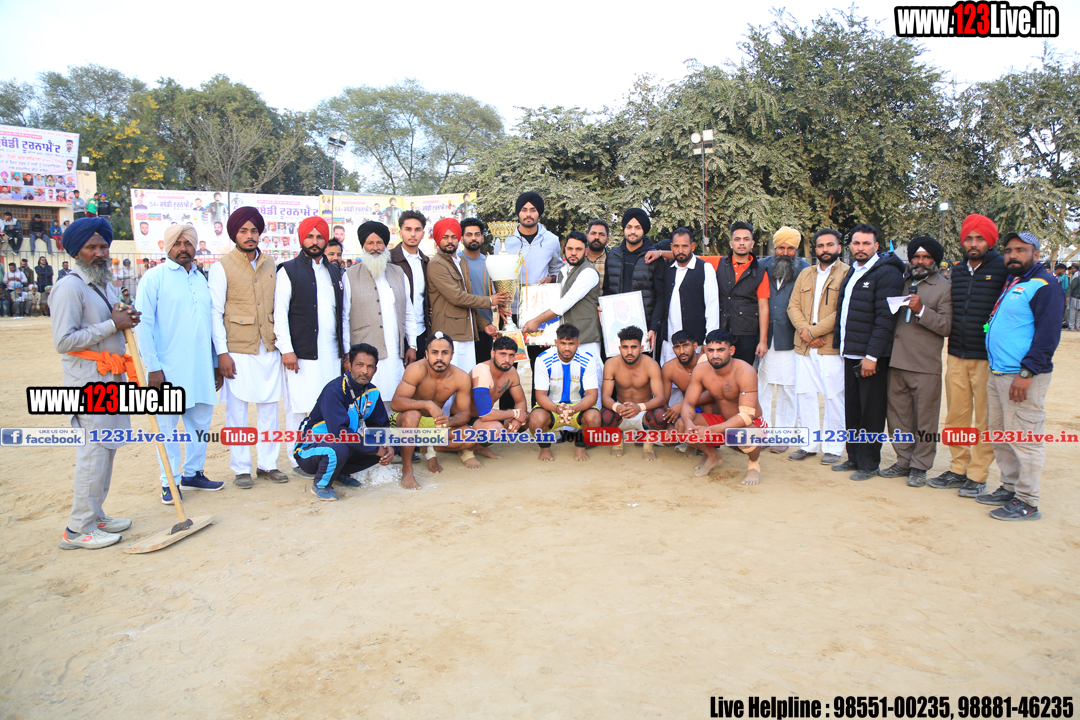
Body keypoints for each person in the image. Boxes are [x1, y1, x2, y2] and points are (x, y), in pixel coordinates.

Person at [50, 217, 141, 549]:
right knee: (93, 453)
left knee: (106, 450)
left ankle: (95, 515)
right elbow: (63, 342)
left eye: (103, 246)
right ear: (77, 252)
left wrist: (125, 318)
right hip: (88, 383)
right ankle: (78, 529)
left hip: (112, 378)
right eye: (92, 247)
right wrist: (111, 325)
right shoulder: (69, 287)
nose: (100, 253)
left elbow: (113, 321)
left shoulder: (104, 283)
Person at [135, 224, 225, 503]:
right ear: (168, 246)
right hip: (166, 369)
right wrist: (152, 367)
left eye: (188, 243)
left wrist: (214, 363)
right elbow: (142, 325)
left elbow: (210, 324)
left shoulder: (201, 279)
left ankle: (193, 473)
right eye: (177, 243)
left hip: (200, 367)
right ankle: (169, 482)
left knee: (200, 423)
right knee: (167, 429)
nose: (183, 248)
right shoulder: (154, 278)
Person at [977, 232, 1064, 521]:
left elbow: (1048, 335)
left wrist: (1027, 372)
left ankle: (1027, 501)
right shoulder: (1015, 281)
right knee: (1000, 434)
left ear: (1036, 254)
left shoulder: (1045, 285)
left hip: (1022, 377)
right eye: (1009, 250)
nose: (1013, 255)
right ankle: (1009, 487)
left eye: (1021, 250)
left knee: (1025, 439)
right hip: (998, 373)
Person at [928, 214, 1008, 497]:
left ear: (990, 241)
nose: (973, 244)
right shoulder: (959, 270)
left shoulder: (1002, 268)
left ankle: (977, 475)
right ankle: (958, 469)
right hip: (956, 353)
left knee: (985, 419)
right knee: (956, 417)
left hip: (987, 357)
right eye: (969, 238)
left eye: (979, 238)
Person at [209, 207, 288, 489]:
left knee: (269, 410)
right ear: (234, 234)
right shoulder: (221, 267)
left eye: (254, 230)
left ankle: (268, 465)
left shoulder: (270, 264)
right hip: (237, 350)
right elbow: (215, 312)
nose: (249, 236)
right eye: (243, 231)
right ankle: (241, 468)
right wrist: (222, 353)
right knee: (237, 412)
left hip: (268, 347)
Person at [830, 224, 905, 480]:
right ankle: (854, 457)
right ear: (850, 245)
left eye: (866, 243)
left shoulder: (887, 273)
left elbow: (885, 318)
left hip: (870, 357)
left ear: (876, 246)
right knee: (853, 408)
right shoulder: (854, 270)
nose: (860, 248)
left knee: (871, 411)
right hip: (850, 352)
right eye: (856, 243)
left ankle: (869, 463)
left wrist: (871, 356)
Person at [275, 216, 347, 478]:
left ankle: (323, 455)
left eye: (319, 237)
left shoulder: (335, 272)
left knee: (328, 407)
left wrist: (345, 351)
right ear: (301, 239)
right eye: (310, 237)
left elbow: (343, 314)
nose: (314, 242)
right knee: (298, 407)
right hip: (302, 353)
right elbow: (280, 313)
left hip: (331, 353)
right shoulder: (288, 271)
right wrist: (287, 349)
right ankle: (297, 460)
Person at [881, 237, 953, 487]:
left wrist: (922, 310)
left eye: (926, 257)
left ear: (935, 260)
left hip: (925, 365)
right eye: (916, 257)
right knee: (898, 417)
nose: (920, 261)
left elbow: (946, 326)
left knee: (925, 419)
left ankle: (920, 466)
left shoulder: (944, 287)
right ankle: (903, 460)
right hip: (896, 361)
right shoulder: (902, 283)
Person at [294, 343, 395, 501]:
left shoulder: (372, 392)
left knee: (389, 443)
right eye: (359, 365)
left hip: (344, 442)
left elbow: (381, 426)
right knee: (339, 446)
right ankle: (321, 485)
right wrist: (375, 449)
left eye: (370, 367)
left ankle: (339, 472)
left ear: (375, 370)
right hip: (310, 449)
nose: (365, 371)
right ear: (349, 365)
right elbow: (339, 433)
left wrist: (387, 446)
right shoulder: (334, 390)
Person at [390, 333, 488, 489]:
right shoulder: (416, 369)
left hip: (435, 424)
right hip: (407, 421)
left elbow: (464, 413)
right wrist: (427, 404)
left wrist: (448, 421)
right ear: (427, 354)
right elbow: (395, 403)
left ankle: (429, 448)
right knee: (413, 414)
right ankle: (407, 470)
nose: (439, 357)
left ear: (452, 355)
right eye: (434, 352)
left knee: (470, 437)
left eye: (445, 353)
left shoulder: (461, 377)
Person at [787, 229, 850, 463]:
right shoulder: (806, 273)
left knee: (834, 397)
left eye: (830, 245)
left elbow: (843, 310)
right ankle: (808, 445)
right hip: (804, 347)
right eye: (821, 245)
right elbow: (793, 306)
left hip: (830, 346)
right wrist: (806, 333)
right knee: (805, 395)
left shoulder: (847, 273)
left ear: (839, 248)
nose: (825, 249)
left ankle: (833, 448)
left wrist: (813, 332)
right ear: (815, 249)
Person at [676, 329, 767, 484]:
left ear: (731, 350)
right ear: (705, 350)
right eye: (711, 350)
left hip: (750, 423)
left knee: (746, 435)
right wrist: (690, 423)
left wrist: (711, 430)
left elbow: (747, 416)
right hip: (722, 420)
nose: (715, 355)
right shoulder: (701, 370)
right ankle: (713, 456)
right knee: (682, 425)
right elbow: (689, 403)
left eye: (720, 350)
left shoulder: (745, 371)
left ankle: (754, 464)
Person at [344, 221, 417, 415]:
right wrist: (346, 353)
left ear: (386, 245)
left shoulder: (398, 273)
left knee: (394, 397)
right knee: (366, 401)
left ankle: (392, 434)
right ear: (363, 245)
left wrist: (412, 345)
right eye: (370, 243)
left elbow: (409, 312)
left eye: (379, 243)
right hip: (363, 351)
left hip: (394, 351)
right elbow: (344, 318)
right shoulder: (350, 275)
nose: (375, 248)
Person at [427, 217, 509, 374]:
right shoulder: (437, 263)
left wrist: (484, 324)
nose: (450, 241)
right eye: (445, 237)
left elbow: (467, 302)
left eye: (453, 237)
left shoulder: (460, 263)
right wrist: (490, 300)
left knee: (468, 379)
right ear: (437, 239)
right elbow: (457, 297)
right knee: (450, 380)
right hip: (449, 334)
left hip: (467, 333)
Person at [522, 231, 603, 388]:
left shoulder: (588, 272)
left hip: (586, 339)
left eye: (578, 249)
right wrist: (546, 335)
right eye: (570, 248)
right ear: (564, 249)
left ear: (586, 251)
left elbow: (564, 304)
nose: (573, 253)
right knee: (568, 387)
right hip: (566, 340)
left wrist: (536, 321)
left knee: (591, 387)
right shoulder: (562, 272)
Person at [756, 227, 809, 451]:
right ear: (774, 248)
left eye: (790, 248)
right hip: (764, 338)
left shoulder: (805, 270)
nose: (785, 252)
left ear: (797, 250)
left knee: (788, 390)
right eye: (781, 247)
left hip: (791, 339)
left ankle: (783, 437)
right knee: (763, 387)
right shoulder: (761, 266)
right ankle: (762, 433)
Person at [528, 324, 603, 462]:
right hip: (551, 408)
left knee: (595, 419)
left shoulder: (588, 359)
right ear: (556, 342)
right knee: (535, 420)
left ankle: (580, 447)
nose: (567, 348)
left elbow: (592, 395)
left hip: (578, 408)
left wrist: (574, 409)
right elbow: (540, 395)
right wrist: (557, 408)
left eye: (571, 344)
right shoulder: (543, 359)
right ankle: (545, 448)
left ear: (578, 344)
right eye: (563, 343)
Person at [651, 228, 720, 367]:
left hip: (697, 344)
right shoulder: (668, 269)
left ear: (692, 246)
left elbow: (712, 307)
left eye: (685, 246)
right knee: (669, 379)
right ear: (671, 247)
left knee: (697, 379)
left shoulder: (705, 268)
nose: (680, 250)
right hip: (670, 344)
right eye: (676, 246)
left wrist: (709, 344)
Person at [602, 209, 667, 353]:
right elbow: (607, 290)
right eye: (629, 227)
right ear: (624, 229)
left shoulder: (654, 257)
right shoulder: (613, 255)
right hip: (616, 328)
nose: (633, 231)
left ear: (644, 230)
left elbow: (661, 297)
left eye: (638, 227)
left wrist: (653, 327)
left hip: (644, 328)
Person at [600, 325, 667, 460]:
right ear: (620, 348)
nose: (629, 352)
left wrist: (639, 407)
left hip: (644, 413)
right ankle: (618, 442)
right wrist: (617, 407)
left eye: (634, 347)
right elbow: (605, 396)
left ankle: (648, 444)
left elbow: (660, 398)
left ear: (641, 348)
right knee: (605, 416)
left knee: (660, 415)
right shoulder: (611, 363)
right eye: (625, 347)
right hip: (622, 411)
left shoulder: (651, 364)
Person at [492, 192, 562, 317]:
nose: (528, 214)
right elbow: (495, 274)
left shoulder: (552, 240)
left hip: (541, 306)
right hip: (510, 308)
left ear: (539, 212)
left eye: (533, 210)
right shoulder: (504, 240)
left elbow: (557, 269)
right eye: (524, 210)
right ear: (518, 212)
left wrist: (551, 279)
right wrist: (500, 304)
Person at [715, 221, 770, 365]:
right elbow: (689, 257)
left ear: (752, 244)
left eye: (746, 239)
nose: (741, 243)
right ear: (731, 243)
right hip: (721, 330)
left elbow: (763, 307)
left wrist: (763, 341)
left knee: (744, 372)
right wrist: (661, 253)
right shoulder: (719, 263)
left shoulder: (760, 271)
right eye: (737, 239)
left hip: (747, 335)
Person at [390, 209, 431, 359]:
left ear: (423, 233)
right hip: (395, 332)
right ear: (400, 232)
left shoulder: (426, 262)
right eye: (408, 229)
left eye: (417, 230)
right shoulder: (389, 260)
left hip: (421, 331)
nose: (413, 234)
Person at [471, 336, 529, 441]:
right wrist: (516, 414)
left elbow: (520, 401)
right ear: (493, 354)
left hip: (488, 417)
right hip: (467, 419)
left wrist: (517, 419)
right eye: (503, 354)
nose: (507, 360)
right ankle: (473, 446)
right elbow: (485, 414)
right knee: (495, 429)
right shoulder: (482, 371)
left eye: (511, 355)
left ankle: (478, 444)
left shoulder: (511, 372)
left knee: (528, 418)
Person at [458, 218, 496, 364]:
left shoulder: (490, 262)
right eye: (469, 234)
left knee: (482, 371)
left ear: (482, 238)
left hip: (485, 328)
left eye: (477, 234)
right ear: (461, 238)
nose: (473, 238)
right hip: (463, 327)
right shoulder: (455, 262)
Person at [660, 330, 717, 426]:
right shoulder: (669, 368)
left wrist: (683, 404)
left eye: (685, 345)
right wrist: (670, 415)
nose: (682, 351)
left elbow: (714, 394)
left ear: (695, 346)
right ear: (673, 349)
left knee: (708, 406)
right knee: (658, 416)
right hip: (688, 411)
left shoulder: (707, 362)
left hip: (710, 410)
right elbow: (663, 400)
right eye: (677, 347)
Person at [585, 219, 610, 288]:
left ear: (607, 240)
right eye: (593, 233)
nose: (597, 237)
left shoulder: (612, 261)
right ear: (587, 237)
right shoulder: (578, 259)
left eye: (601, 234)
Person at [1067, 265, 1080, 331]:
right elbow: (1071, 288)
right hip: (1075, 297)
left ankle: (1077, 326)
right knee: (1073, 312)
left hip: (1077, 297)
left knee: (1077, 313)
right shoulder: (1077, 279)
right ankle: (1072, 326)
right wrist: (1068, 296)